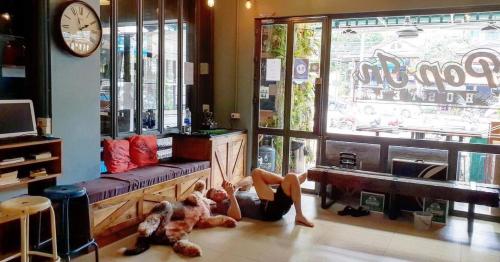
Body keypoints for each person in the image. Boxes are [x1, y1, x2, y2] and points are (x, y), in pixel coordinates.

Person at [207, 168, 314, 227]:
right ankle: (291, 184)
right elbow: (237, 217)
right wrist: (231, 195)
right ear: (216, 201)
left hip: (276, 203)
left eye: (217, 190)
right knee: (256, 172)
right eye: (215, 195)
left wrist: (235, 186)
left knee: (292, 176)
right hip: (267, 210)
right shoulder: (225, 205)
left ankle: (299, 214)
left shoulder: (235, 192)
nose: (218, 193)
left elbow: (250, 180)